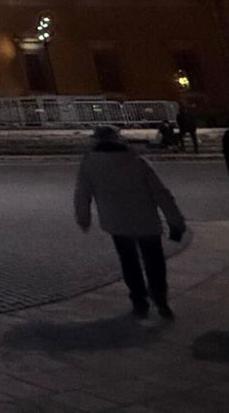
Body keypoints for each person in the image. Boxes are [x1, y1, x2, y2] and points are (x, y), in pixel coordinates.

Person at [74, 125, 186, 320]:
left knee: (129, 262)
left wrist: (83, 218)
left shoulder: (90, 163)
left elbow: (82, 194)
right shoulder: (137, 161)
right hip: (146, 220)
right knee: (154, 263)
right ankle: (160, 299)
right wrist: (175, 221)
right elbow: (161, 194)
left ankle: (139, 301)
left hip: (116, 221)